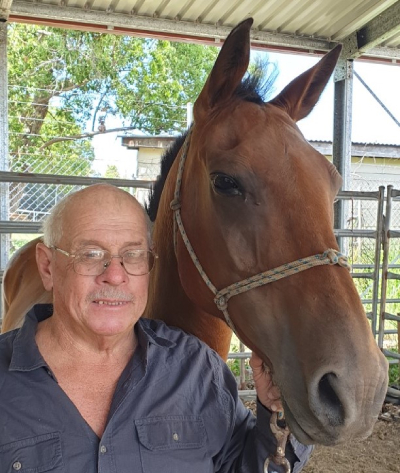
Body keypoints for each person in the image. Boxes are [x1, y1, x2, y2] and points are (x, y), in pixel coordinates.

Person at [0, 184, 312, 472]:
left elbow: (249, 466)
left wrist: (282, 407)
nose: (115, 275)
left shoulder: (197, 371)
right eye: (91, 254)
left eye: (133, 255)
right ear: (47, 266)